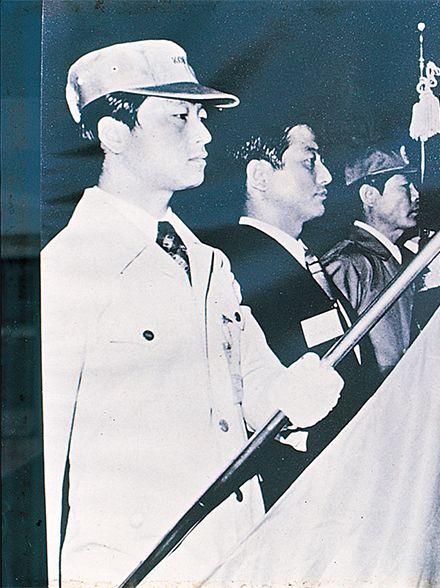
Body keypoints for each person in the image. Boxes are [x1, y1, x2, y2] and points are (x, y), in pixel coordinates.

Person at [40, 40, 344, 585]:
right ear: (114, 134)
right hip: (137, 568)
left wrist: (292, 394)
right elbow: (39, 464)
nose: (204, 135)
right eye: (180, 118)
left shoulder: (209, 263)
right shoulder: (68, 266)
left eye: (201, 118)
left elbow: (252, 384)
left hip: (237, 553)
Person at [203, 124, 381, 510]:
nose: (326, 176)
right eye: (309, 161)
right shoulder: (235, 267)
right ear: (260, 176)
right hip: (304, 493)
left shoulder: (300, 260)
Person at [322, 146, 420, 377]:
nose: (416, 194)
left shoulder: (404, 258)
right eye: (405, 186)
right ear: (369, 195)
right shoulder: (346, 265)